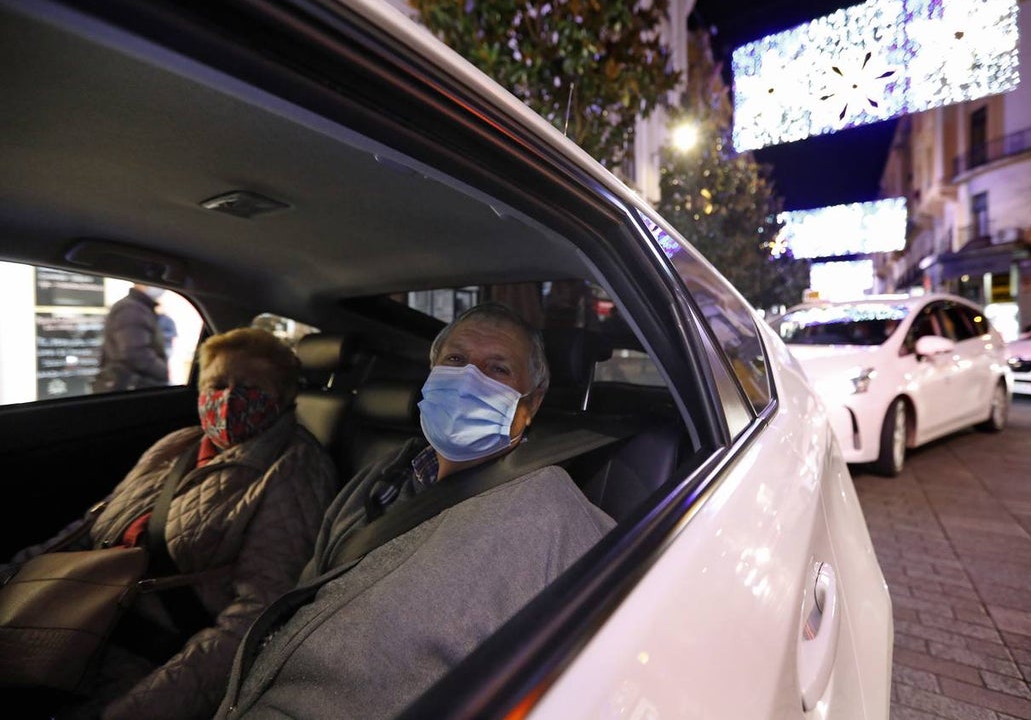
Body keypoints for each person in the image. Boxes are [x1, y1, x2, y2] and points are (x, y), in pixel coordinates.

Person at [215, 303, 616, 720]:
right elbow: (305, 594)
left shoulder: (552, 513)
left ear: (530, 404)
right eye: (456, 360)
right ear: (432, 373)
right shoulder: (377, 481)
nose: (467, 379)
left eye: (498, 369)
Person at [3, 327, 339, 720]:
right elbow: (89, 530)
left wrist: (136, 710)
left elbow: (256, 617)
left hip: (152, 655)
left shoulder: (293, 470)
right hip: (82, 615)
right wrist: (13, 577)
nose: (229, 398)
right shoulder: (178, 445)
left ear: (283, 398)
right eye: (218, 383)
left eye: (250, 387)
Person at [92, 284, 170, 392]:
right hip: (134, 386)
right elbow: (135, 353)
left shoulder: (138, 307)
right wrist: (163, 372)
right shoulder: (132, 309)